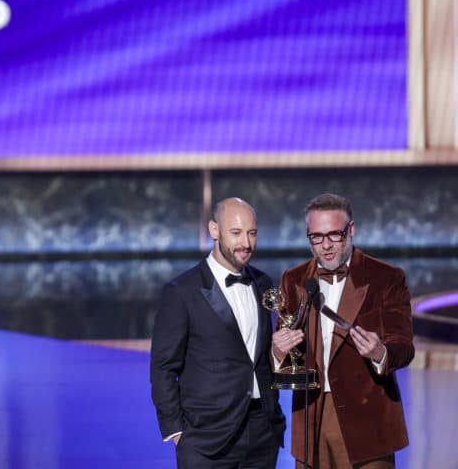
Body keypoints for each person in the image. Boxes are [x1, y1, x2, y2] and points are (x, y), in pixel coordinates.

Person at [271, 193, 414, 468]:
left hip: (368, 423)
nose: (325, 245)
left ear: (351, 230)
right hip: (311, 417)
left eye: (334, 235)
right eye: (316, 237)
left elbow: (404, 346)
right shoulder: (294, 279)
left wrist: (380, 352)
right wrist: (278, 351)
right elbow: (286, 348)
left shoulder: (386, 278)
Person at [151, 197, 285, 468]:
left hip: (262, 432)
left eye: (252, 233)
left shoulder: (262, 283)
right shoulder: (182, 291)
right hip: (206, 437)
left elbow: (256, 355)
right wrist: (176, 431)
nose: (246, 243)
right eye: (236, 233)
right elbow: (163, 367)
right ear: (214, 230)